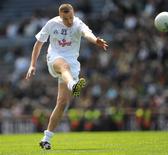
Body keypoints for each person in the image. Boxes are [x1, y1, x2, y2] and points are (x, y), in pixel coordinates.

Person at [26, 3, 108, 150]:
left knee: (62, 103)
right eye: (65, 19)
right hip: (55, 58)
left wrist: (96, 40)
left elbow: (87, 34)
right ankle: (73, 85)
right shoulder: (52, 24)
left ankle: (46, 139)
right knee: (64, 66)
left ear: (73, 13)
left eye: (70, 17)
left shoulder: (78, 23)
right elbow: (38, 44)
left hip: (72, 64)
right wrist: (32, 65)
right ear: (60, 16)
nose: (69, 21)